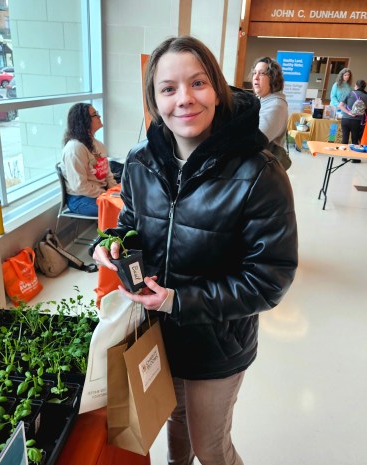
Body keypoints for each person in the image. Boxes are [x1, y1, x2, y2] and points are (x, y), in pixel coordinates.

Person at [92, 36, 298, 465]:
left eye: (198, 83)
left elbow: (269, 279)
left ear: (218, 90)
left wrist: (177, 300)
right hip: (156, 335)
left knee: (211, 446)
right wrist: (109, 244)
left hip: (217, 344)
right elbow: (131, 226)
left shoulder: (259, 172)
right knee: (174, 422)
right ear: (153, 99)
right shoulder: (139, 160)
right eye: (168, 89)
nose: (184, 99)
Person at [60, 103, 117, 216]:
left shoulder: (98, 145)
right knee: (121, 211)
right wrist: (105, 194)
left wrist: (115, 191)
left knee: (130, 204)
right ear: (84, 121)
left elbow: (107, 174)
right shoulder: (74, 148)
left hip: (99, 192)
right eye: (95, 115)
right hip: (80, 198)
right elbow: (79, 186)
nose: (99, 116)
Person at [338, 79, 367, 146]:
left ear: (356, 86)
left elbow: (340, 106)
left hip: (345, 119)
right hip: (357, 121)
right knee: (355, 140)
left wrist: (348, 112)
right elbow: (365, 108)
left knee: (345, 138)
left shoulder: (350, 93)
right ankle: (353, 154)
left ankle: (342, 154)